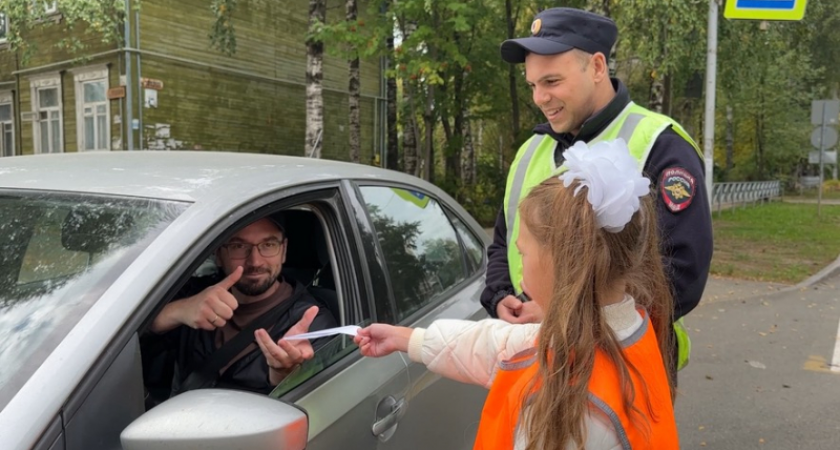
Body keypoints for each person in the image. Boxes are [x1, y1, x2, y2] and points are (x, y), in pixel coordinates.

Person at [355, 140, 679, 449]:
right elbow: (499, 346)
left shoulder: (568, 412)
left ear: (564, 264)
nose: (519, 273)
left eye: (522, 253)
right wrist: (407, 339)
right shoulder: (627, 327)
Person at [481, 7, 712, 373]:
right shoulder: (530, 151)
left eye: (552, 82)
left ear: (598, 67)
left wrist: (565, 310)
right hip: (537, 357)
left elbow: (681, 274)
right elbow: (504, 242)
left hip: (624, 367)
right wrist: (499, 297)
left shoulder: (660, 146)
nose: (540, 98)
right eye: (533, 85)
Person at [144, 216, 337, 399]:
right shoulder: (192, 293)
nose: (255, 261)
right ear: (219, 254)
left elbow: (312, 405)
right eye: (238, 246)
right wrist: (178, 311)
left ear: (284, 250)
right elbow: (127, 343)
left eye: (268, 245)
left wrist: (282, 373)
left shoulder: (312, 321)